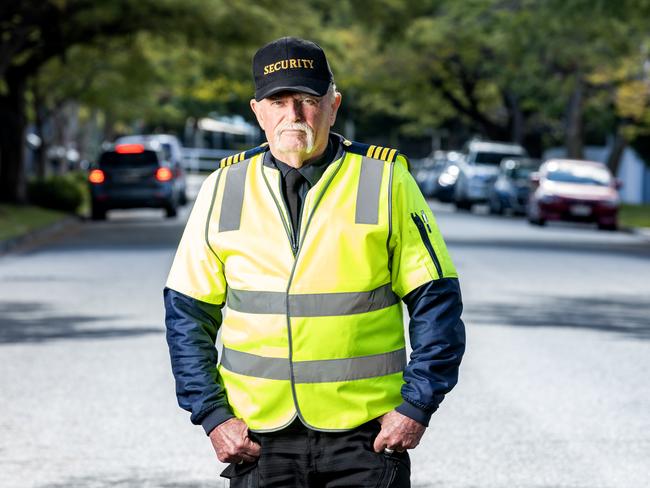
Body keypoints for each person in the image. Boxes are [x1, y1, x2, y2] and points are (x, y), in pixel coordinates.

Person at [164, 36, 465, 487]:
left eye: (308, 99)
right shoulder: (222, 187)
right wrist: (211, 414)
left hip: (366, 438)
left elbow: (437, 304)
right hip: (258, 440)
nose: (294, 114)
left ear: (333, 105)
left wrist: (415, 408)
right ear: (257, 111)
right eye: (279, 101)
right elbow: (187, 314)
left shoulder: (385, 181)